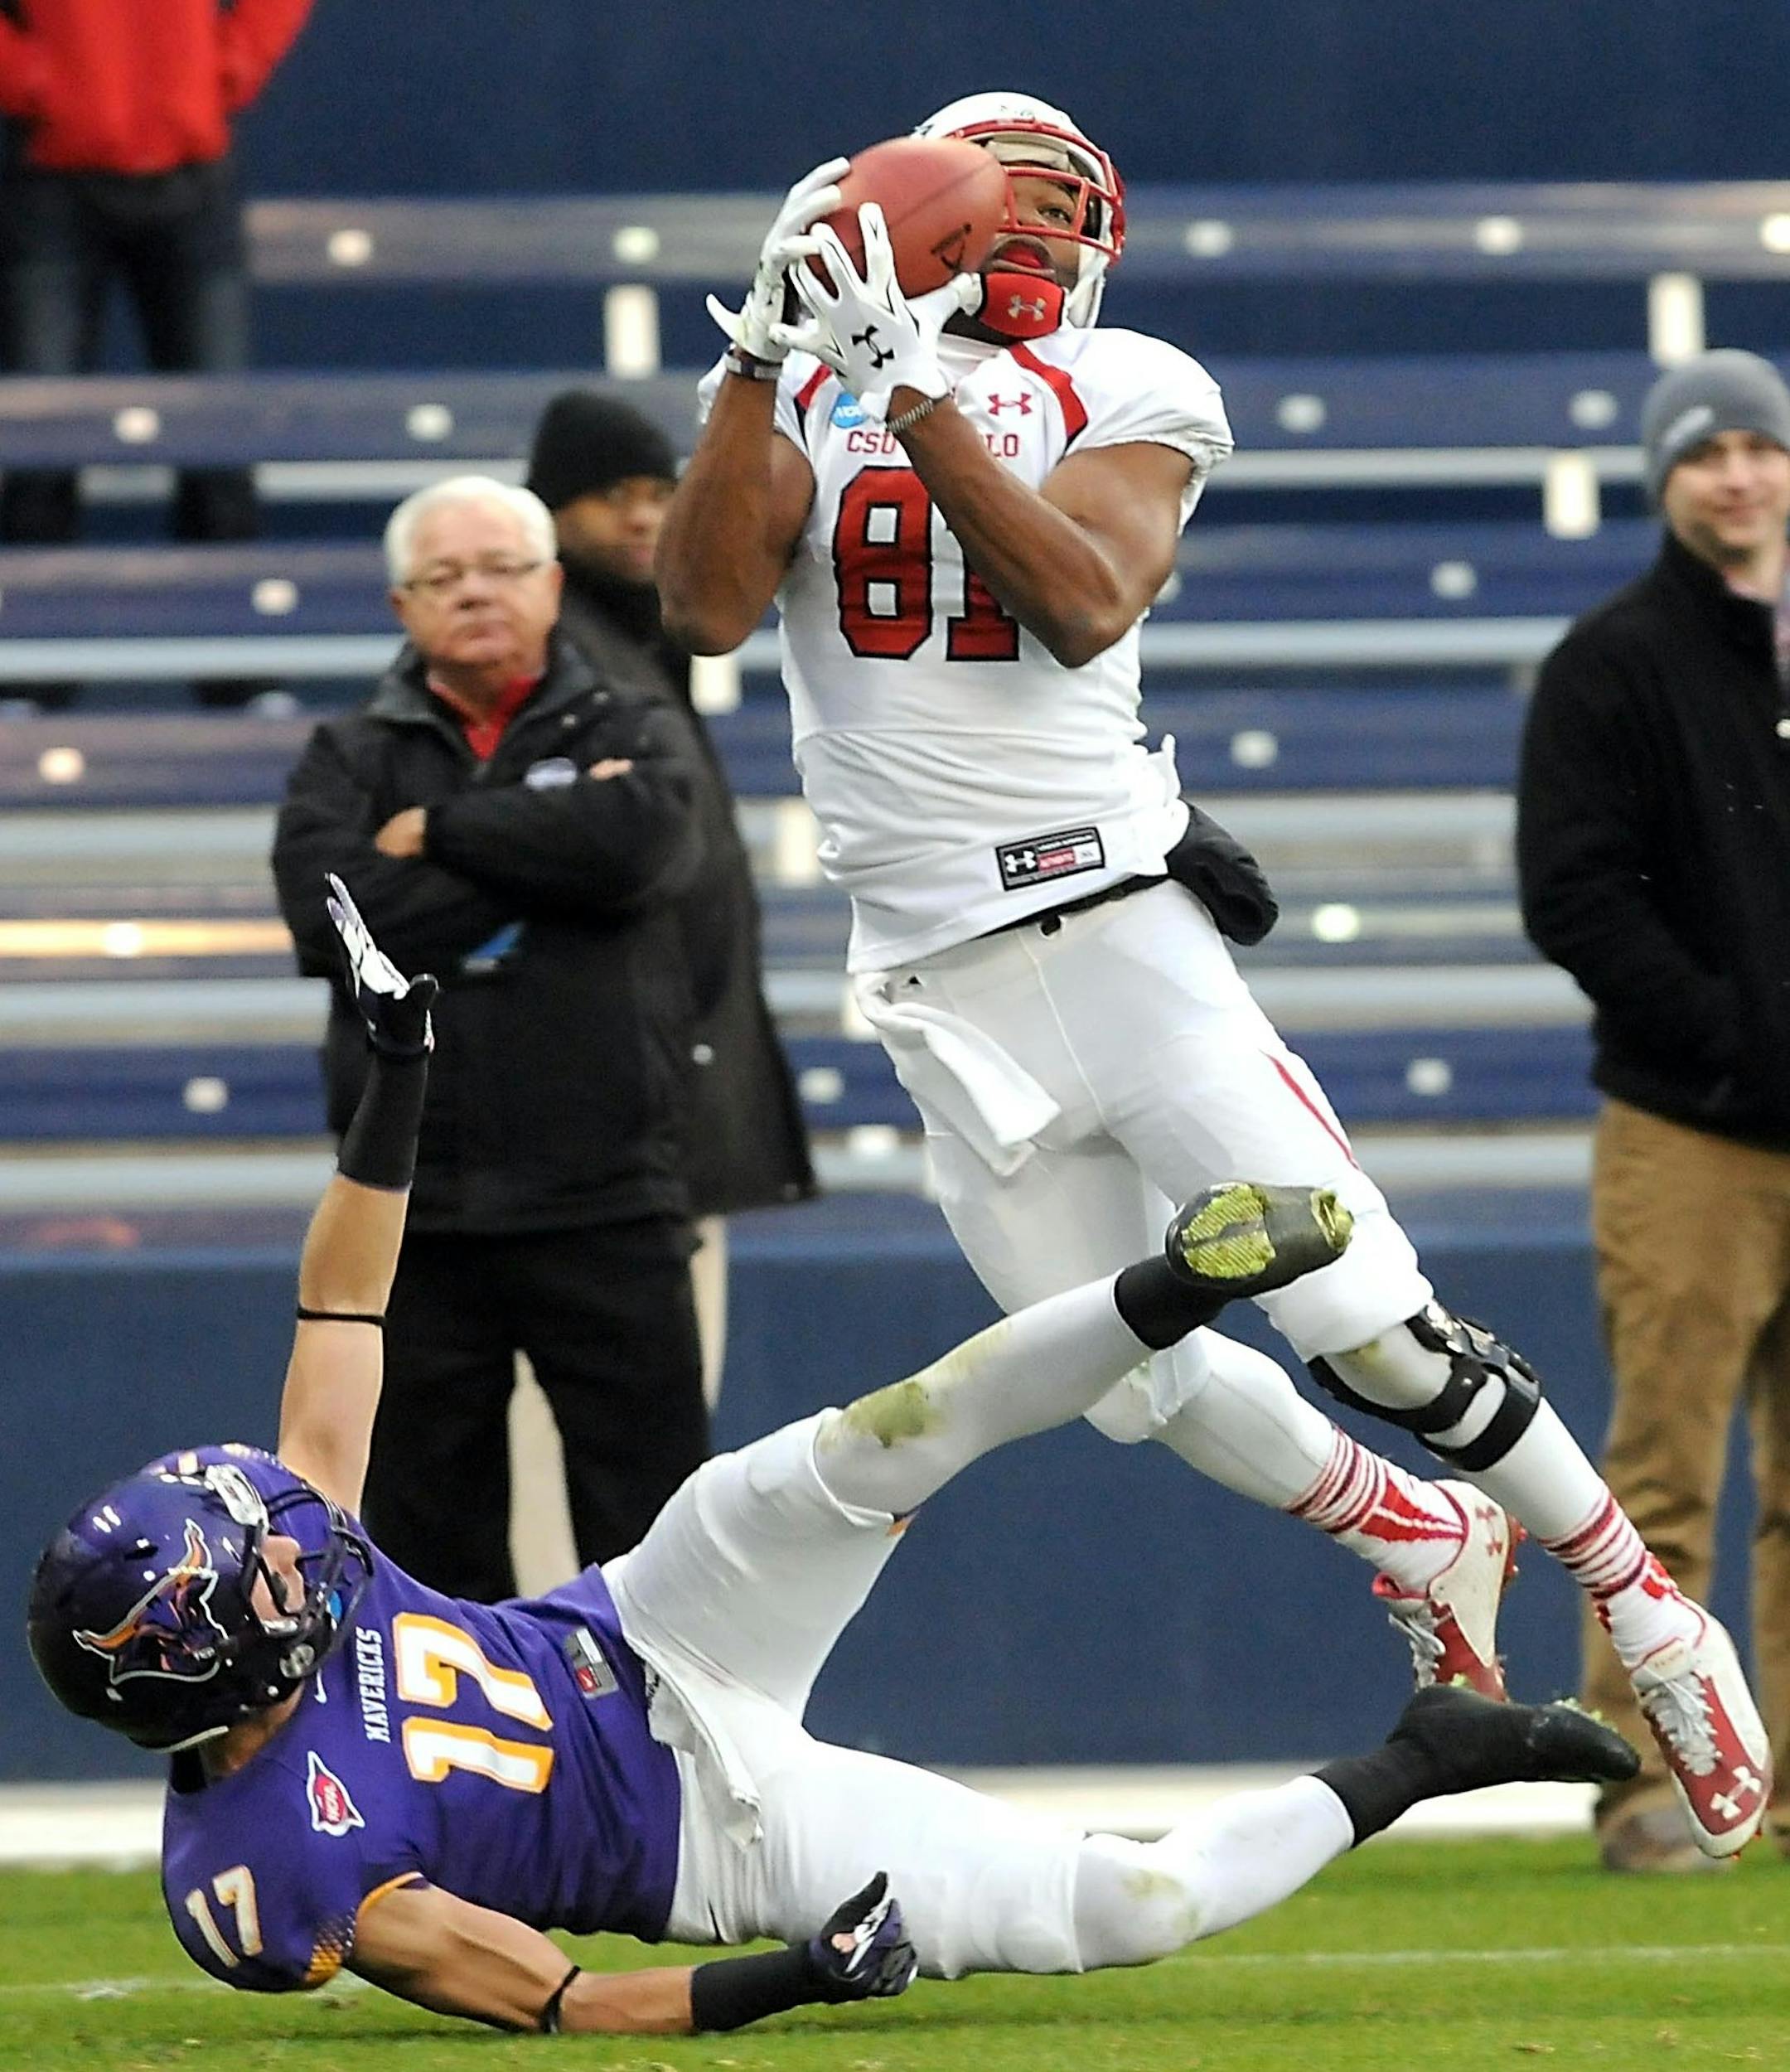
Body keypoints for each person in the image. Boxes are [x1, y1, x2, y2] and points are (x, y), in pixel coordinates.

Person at [653, 90, 1773, 1861]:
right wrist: (758, 356)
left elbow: (1082, 597)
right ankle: (1408, 1533)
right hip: (936, 984)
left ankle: (1647, 1605)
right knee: (1114, 1376)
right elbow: (706, 609)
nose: (1008, 240)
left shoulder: (1134, 382)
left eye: (1035, 210)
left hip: (1110, 928)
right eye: (974, 208)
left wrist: (916, 393)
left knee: (1364, 1324)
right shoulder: (810, 381)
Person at [25, 879, 1641, 2036]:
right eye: (261, 1569)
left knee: (893, 1431)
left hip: (641, 1618)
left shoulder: (292, 1563)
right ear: (211, 1654)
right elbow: (572, 2001)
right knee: (1130, 1911)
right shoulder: (267, 1869)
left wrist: (395, 1077)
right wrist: (798, 1972)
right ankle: (1431, 1752)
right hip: (715, 1833)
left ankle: (1183, 1278)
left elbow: (345, 1292)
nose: (293, 1540)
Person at [270, 474, 710, 1598]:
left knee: (660, 1538)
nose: (475, 594)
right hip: (417, 1220)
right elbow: (338, 921)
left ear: (553, 585)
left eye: (502, 569)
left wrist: (442, 836)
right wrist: (548, 866)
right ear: (401, 607)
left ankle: (682, 1766)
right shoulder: (348, 754)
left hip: (610, 1196)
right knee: (427, 1546)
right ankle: (464, 1770)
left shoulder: (634, 719)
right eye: (443, 577)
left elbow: (644, 849)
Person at [1517, 348, 1790, 1872]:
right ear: (1665, 481)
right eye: (1706, 454)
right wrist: (1731, 1034)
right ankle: (1663, 1792)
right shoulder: (1612, 664)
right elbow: (1574, 896)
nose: (1738, 476)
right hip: (1693, 1128)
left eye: (1760, 446)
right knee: (1665, 1479)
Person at [525, 388, 816, 1406]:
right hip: (610, 1129)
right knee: (596, 1443)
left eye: (661, 493)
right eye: (613, 497)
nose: (645, 517)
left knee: (658, 1426)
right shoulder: (552, 655)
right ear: (549, 509)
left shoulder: (646, 643)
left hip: (664, 1110)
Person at [0, 0, 313, 708]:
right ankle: (26, 671)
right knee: (38, 442)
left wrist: (223, 69)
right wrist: (30, 80)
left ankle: (239, 675)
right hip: (49, 174)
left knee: (219, 440)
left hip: (194, 175)